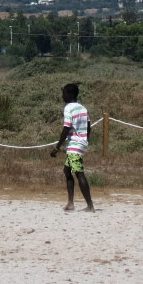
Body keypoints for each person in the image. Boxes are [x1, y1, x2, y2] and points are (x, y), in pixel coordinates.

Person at [50, 83, 94, 212]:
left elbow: (66, 127)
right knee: (67, 171)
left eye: (64, 93)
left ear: (69, 94)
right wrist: (85, 140)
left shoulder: (68, 108)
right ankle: (70, 203)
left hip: (75, 144)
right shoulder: (83, 108)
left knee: (79, 173)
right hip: (80, 143)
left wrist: (57, 147)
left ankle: (90, 205)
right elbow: (89, 126)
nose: (62, 96)